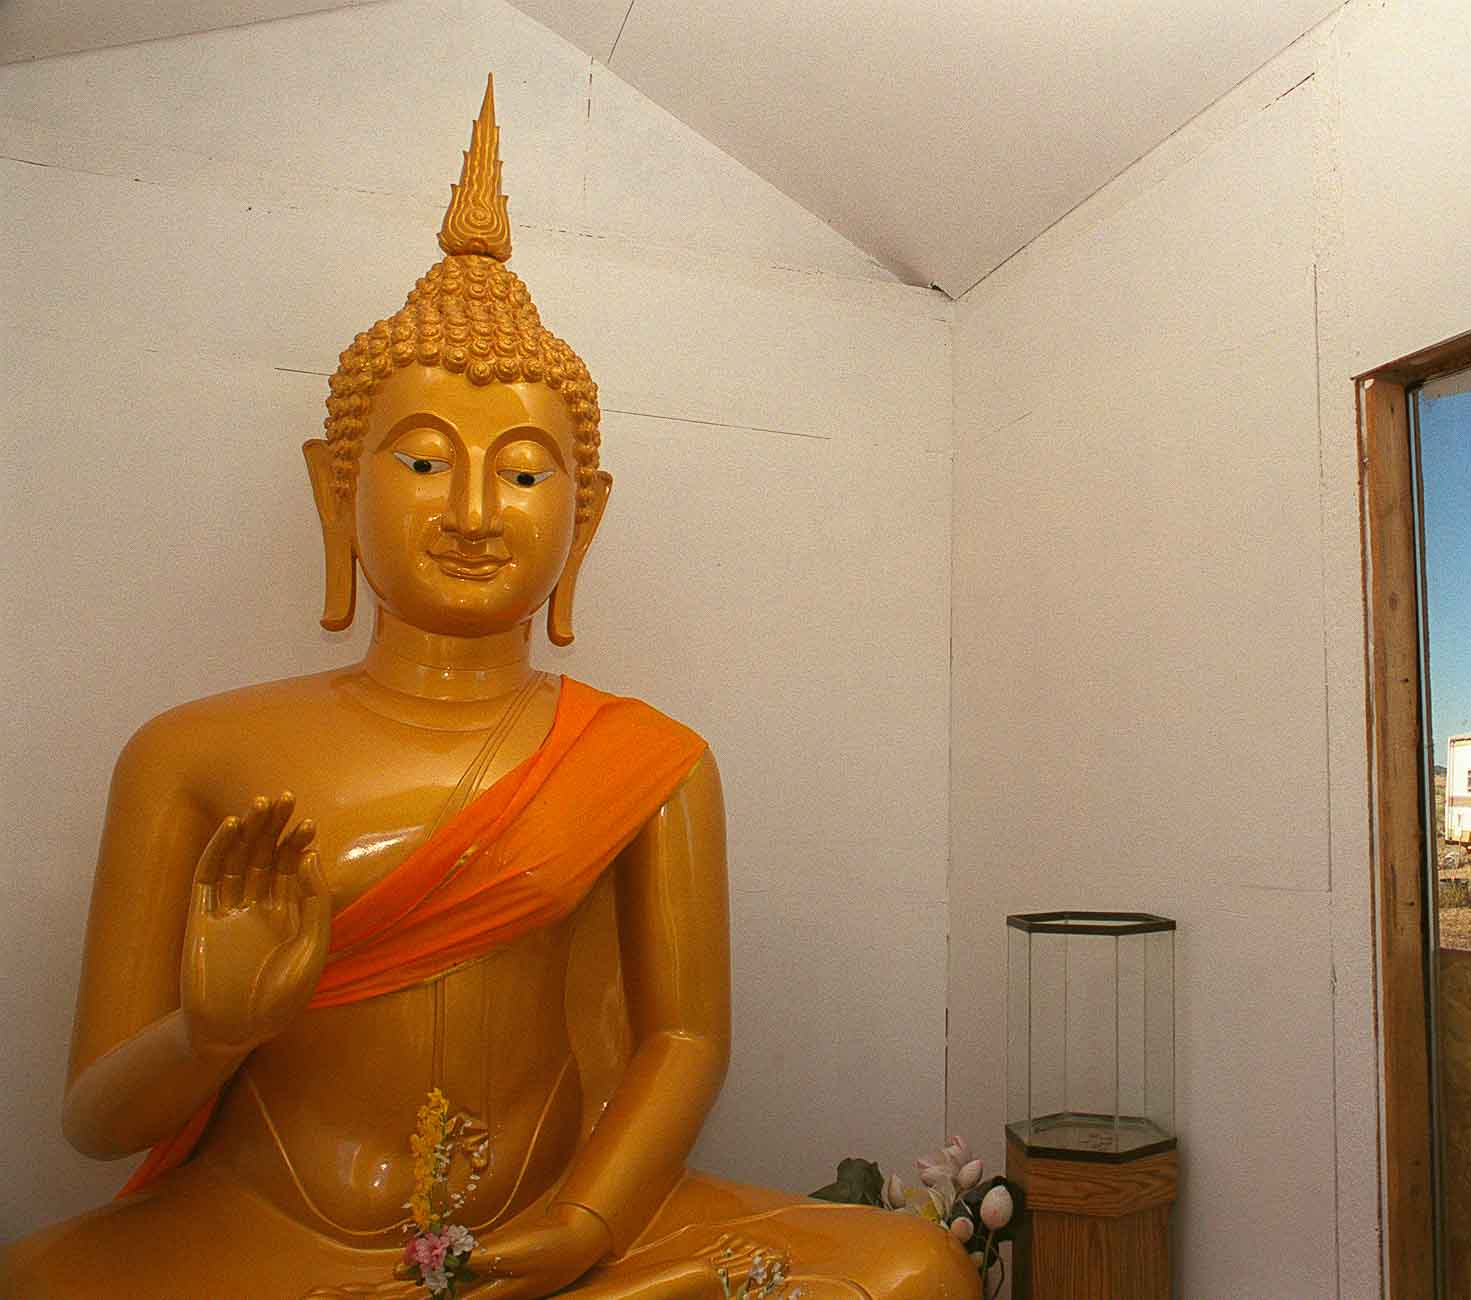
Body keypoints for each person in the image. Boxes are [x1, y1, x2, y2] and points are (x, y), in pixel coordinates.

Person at [3, 79, 976, 1300]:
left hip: (556, 1230)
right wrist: (205, 1035)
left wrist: (581, 1226)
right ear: (334, 490)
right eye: (420, 461)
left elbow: (685, 1040)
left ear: (587, 517)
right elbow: (94, 1122)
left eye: (522, 473)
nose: (470, 511)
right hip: (264, 1236)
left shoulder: (649, 760)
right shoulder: (193, 754)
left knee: (913, 1271)